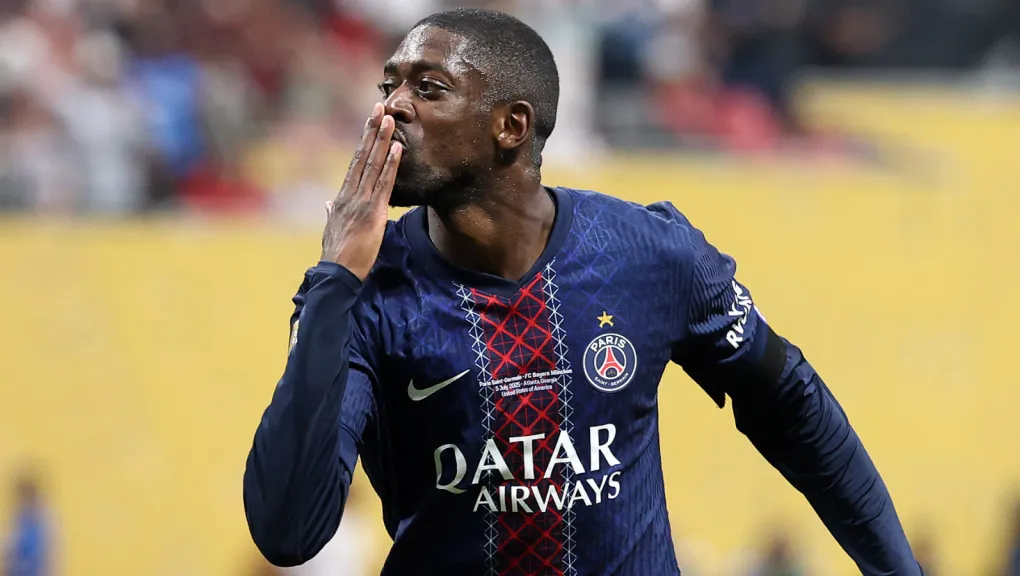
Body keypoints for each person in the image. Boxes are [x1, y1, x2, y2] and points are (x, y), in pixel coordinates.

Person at [242, 8, 922, 575]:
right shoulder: (364, 296)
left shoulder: (648, 253)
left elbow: (795, 407)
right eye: (388, 83)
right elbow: (288, 532)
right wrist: (334, 281)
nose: (391, 106)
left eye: (429, 88)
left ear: (510, 126)